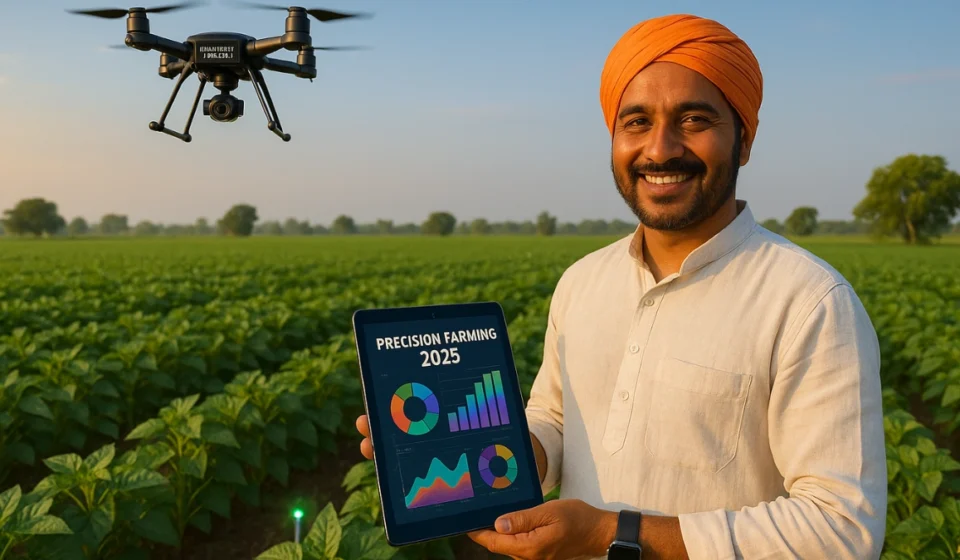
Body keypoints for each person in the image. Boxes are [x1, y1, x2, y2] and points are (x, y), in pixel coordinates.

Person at [356, 12, 887, 560]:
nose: (660, 150)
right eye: (636, 122)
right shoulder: (583, 282)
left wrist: (613, 534)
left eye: (694, 119)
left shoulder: (809, 301)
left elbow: (841, 529)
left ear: (744, 140)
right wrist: (467, 455)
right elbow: (557, 419)